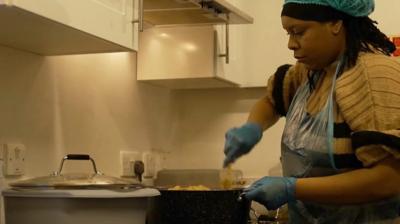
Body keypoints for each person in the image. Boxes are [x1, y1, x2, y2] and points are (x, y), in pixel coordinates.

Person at [223, 0, 400, 223]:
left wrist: (293, 188)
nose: (290, 44)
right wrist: (253, 127)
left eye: (298, 32)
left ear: (336, 23)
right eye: (288, 33)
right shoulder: (312, 73)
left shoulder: (374, 76)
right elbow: (271, 100)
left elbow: (389, 179)